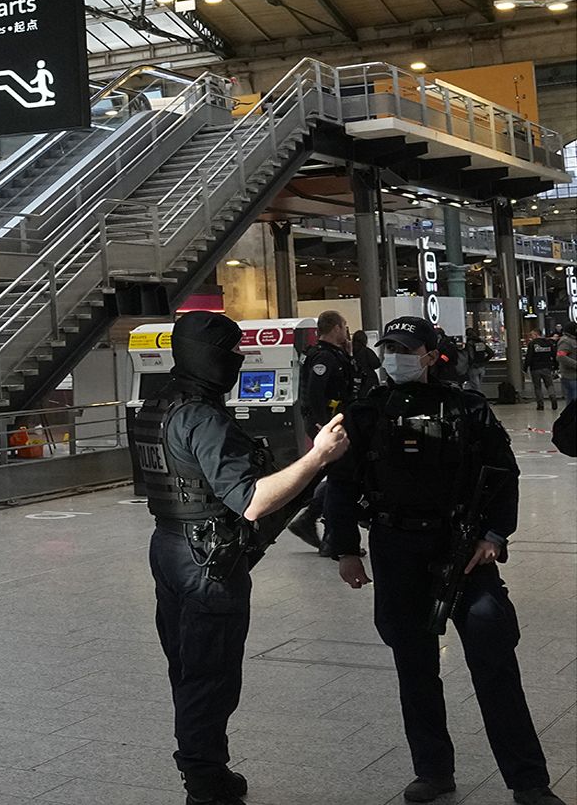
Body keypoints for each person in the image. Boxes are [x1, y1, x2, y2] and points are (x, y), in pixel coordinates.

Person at [324, 317, 564, 805]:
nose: (396, 356)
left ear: (431, 355)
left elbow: (503, 473)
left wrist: (495, 535)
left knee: (493, 658)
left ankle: (528, 781)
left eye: (406, 348)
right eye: (388, 347)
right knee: (413, 665)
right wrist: (347, 549)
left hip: (462, 548)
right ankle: (433, 770)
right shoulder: (366, 412)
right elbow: (342, 485)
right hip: (395, 548)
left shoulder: (467, 408)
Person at [127, 311, 349, 805]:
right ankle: (205, 780)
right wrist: (317, 457)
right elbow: (251, 500)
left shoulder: (158, 403)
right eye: (232, 354)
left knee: (185, 666)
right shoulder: (202, 416)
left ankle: (202, 764)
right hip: (207, 558)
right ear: (212, 355)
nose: (238, 362)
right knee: (211, 672)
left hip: (168, 544)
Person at [283, 311, 355, 551]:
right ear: (335, 327)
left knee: (338, 475)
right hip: (329, 425)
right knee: (340, 477)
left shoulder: (333, 354)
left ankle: (319, 527)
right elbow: (315, 393)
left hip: (333, 423)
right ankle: (317, 526)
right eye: (344, 326)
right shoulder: (324, 356)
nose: (346, 331)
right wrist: (326, 426)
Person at [525, 327, 563, 411]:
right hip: (547, 367)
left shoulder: (532, 344)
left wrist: (525, 367)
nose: (531, 336)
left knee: (537, 387)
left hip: (535, 368)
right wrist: (555, 366)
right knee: (549, 384)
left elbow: (529, 357)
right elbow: (554, 354)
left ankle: (540, 405)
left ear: (536, 334)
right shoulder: (548, 343)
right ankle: (553, 397)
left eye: (532, 335)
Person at [352, 329, 382, 394]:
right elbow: (376, 364)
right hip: (369, 380)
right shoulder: (367, 351)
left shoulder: (350, 351)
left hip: (356, 381)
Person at [558, 321, 577, 407]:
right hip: (570, 376)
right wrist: (575, 364)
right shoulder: (565, 341)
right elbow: (560, 356)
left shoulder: (573, 340)